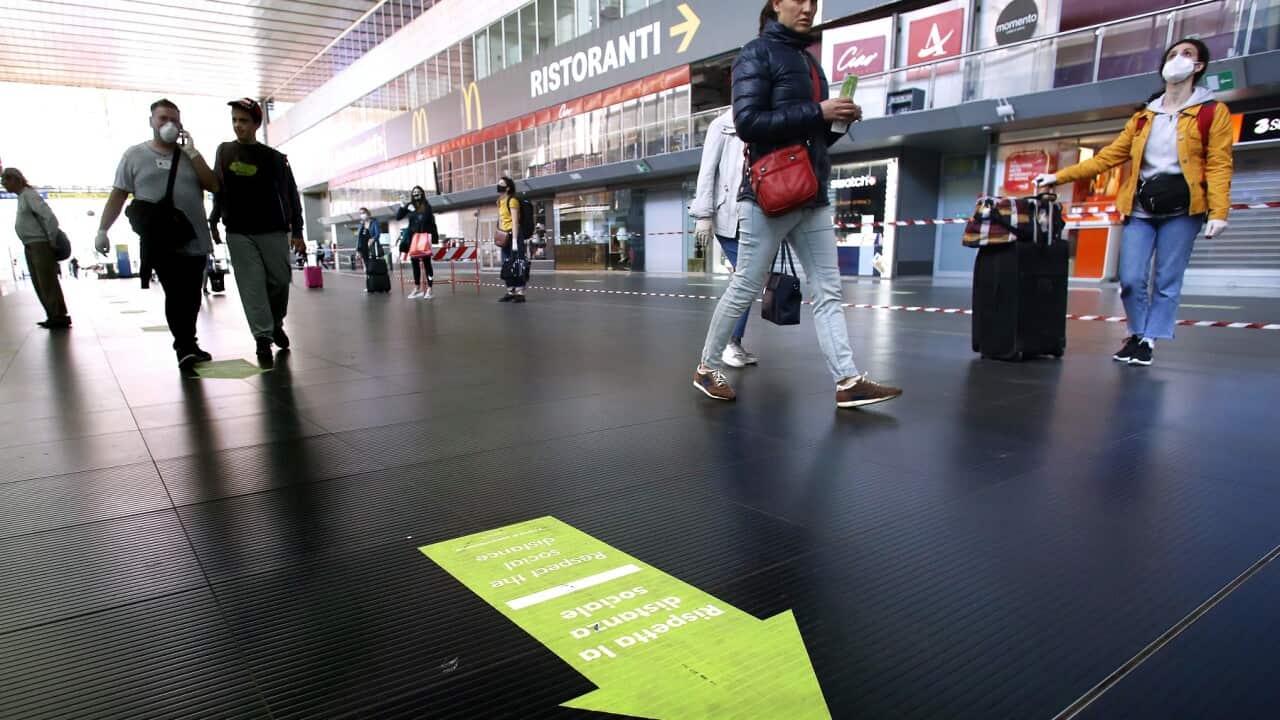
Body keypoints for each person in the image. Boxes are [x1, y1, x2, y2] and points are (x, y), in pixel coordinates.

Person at [692, 0, 902, 409]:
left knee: (828, 288)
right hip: (769, 195)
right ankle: (706, 367)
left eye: (813, 1)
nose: (808, 7)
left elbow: (812, 137)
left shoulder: (810, 61)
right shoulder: (756, 54)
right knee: (745, 285)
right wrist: (817, 110)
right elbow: (748, 122)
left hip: (812, 191)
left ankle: (847, 380)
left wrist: (835, 123)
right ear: (776, 3)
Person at [1036, 38, 1233, 367]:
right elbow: (1111, 156)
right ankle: (1138, 332)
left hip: (1184, 210)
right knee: (1129, 278)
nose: (1177, 60)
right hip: (1141, 208)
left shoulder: (1212, 112)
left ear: (1198, 67)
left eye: (1186, 55)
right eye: (1172, 55)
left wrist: (1219, 211)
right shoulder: (1144, 117)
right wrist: (1060, 176)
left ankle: (1149, 340)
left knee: (1167, 279)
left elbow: (1219, 163)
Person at [96, 99, 220, 369]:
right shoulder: (134, 156)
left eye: (174, 120)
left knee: (192, 295)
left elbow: (213, 185)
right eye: (163, 118)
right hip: (161, 240)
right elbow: (118, 195)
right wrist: (103, 229)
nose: (169, 124)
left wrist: (193, 152)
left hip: (195, 238)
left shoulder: (189, 155)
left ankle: (189, 340)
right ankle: (184, 346)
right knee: (175, 293)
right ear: (151, 121)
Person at [208, 97, 306, 366]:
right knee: (251, 286)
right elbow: (219, 189)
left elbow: (292, 196)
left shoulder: (275, 159)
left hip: (273, 229)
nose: (238, 126)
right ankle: (262, 338)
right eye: (234, 120)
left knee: (279, 281)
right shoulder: (224, 152)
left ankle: (275, 323)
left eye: (243, 121)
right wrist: (213, 220)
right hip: (239, 231)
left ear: (255, 124)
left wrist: (297, 231)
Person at [691, 109, 757, 368]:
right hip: (729, 215)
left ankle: (733, 341)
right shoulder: (721, 125)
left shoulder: (763, 120)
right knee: (746, 278)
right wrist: (703, 215)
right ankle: (727, 343)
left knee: (747, 279)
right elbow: (707, 172)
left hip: (757, 214)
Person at [3, 168, 71, 328]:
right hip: (31, 246)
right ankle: (53, 315)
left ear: (16, 179)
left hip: (40, 245)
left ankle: (59, 316)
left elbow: (49, 216)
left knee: (47, 282)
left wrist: (52, 239)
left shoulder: (29, 195)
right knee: (40, 283)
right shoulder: (22, 197)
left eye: (6, 181)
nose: (4, 185)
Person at [396, 185, 438, 299]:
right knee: (414, 263)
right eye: (414, 192)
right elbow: (398, 217)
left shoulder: (426, 206)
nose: (416, 194)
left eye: (418, 192)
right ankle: (417, 287)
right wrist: (402, 206)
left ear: (422, 193)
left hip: (423, 238)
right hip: (413, 239)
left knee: (427, 263)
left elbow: (426, 219)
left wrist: (434, 238)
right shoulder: (410, 205)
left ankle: (429, 288)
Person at [496, 176, 527, 303]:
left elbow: (515, 222)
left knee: (517, 263)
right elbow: (502, 220)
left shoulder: (512, 201)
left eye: (501, 184)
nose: (498, 186)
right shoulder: (499, 201)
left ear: (508, 187)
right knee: (506, 264)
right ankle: (510, 291)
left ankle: (520, 292)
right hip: (504, 236)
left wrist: (514, 240)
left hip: (514, 235)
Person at [354, 207, 381, 275]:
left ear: (367, 213)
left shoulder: (374, 222)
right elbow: (359, 238)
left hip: (372, 247)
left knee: (373, 264)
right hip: (363, 248)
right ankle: (369, 280)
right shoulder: (361, 224)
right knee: (366, 266)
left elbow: (377, 234)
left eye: (363, 213)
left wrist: (373, 239)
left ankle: (375, 279)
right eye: (360, 213)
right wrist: (358, 250)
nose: (362, 215)